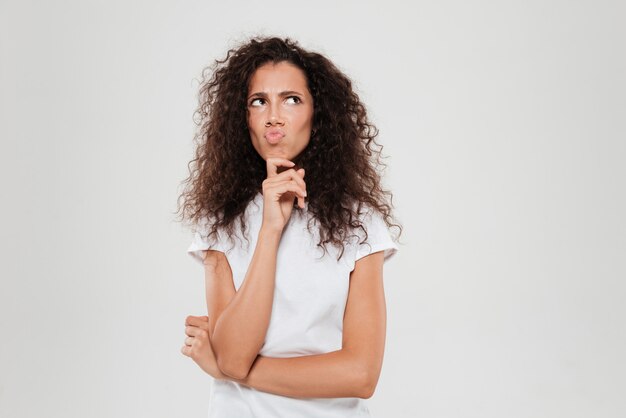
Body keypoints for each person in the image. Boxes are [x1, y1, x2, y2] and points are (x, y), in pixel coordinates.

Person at [177, 36, 402, 418]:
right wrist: (269, 229)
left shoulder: (360, 223)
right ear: (241, 117)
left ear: (319, 113)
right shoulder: (221, 221)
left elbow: (361, 374)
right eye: (258, 101)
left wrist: (232, 372)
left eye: (292, 99)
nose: (273, 116)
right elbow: (233, 353)